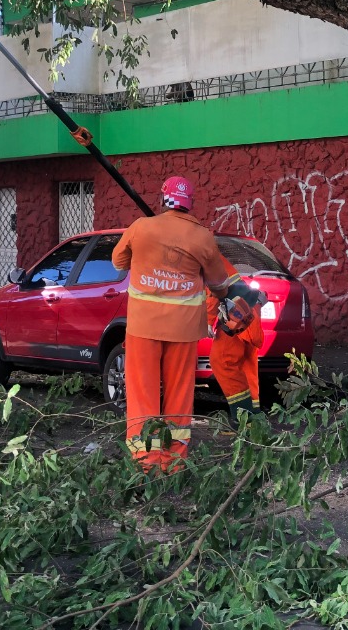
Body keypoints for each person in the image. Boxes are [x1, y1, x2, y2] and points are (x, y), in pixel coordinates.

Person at [112, 176, 238, 472]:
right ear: (190, 203)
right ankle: (174, 463)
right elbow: (220, 283)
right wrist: (220, 295)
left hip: (143, 328)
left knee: (142, 397)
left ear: (163, 198)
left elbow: (118, 262)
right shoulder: (202, 237)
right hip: (183, 331)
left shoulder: (141, 228)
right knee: (179, 397)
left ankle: (144, 464)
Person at [207, 262, 266, 429]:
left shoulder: (198, 252)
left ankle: (242, 418)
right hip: (247, 309)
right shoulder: (209, 250)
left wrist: (208, 320)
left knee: (223, 361)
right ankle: (254, 420)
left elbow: (213, 290)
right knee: (246, 363)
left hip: (236, 315)